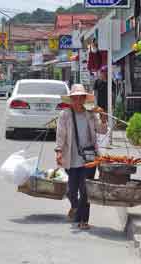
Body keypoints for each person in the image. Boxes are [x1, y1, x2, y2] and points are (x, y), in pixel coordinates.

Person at [55, 84, 108, 230]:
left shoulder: (90, 114)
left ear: (85, 99)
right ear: (71, 100)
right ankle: (75, 207)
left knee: (85, 190)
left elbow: (102, 131)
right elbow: (61, 135)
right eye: (75, 98)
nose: (78, 101)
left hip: (89, 158)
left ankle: (83, 220)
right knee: (72, 190)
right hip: (71, 157)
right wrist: (59, 151)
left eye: (81, 98)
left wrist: (103, 119)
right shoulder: (65, 115)